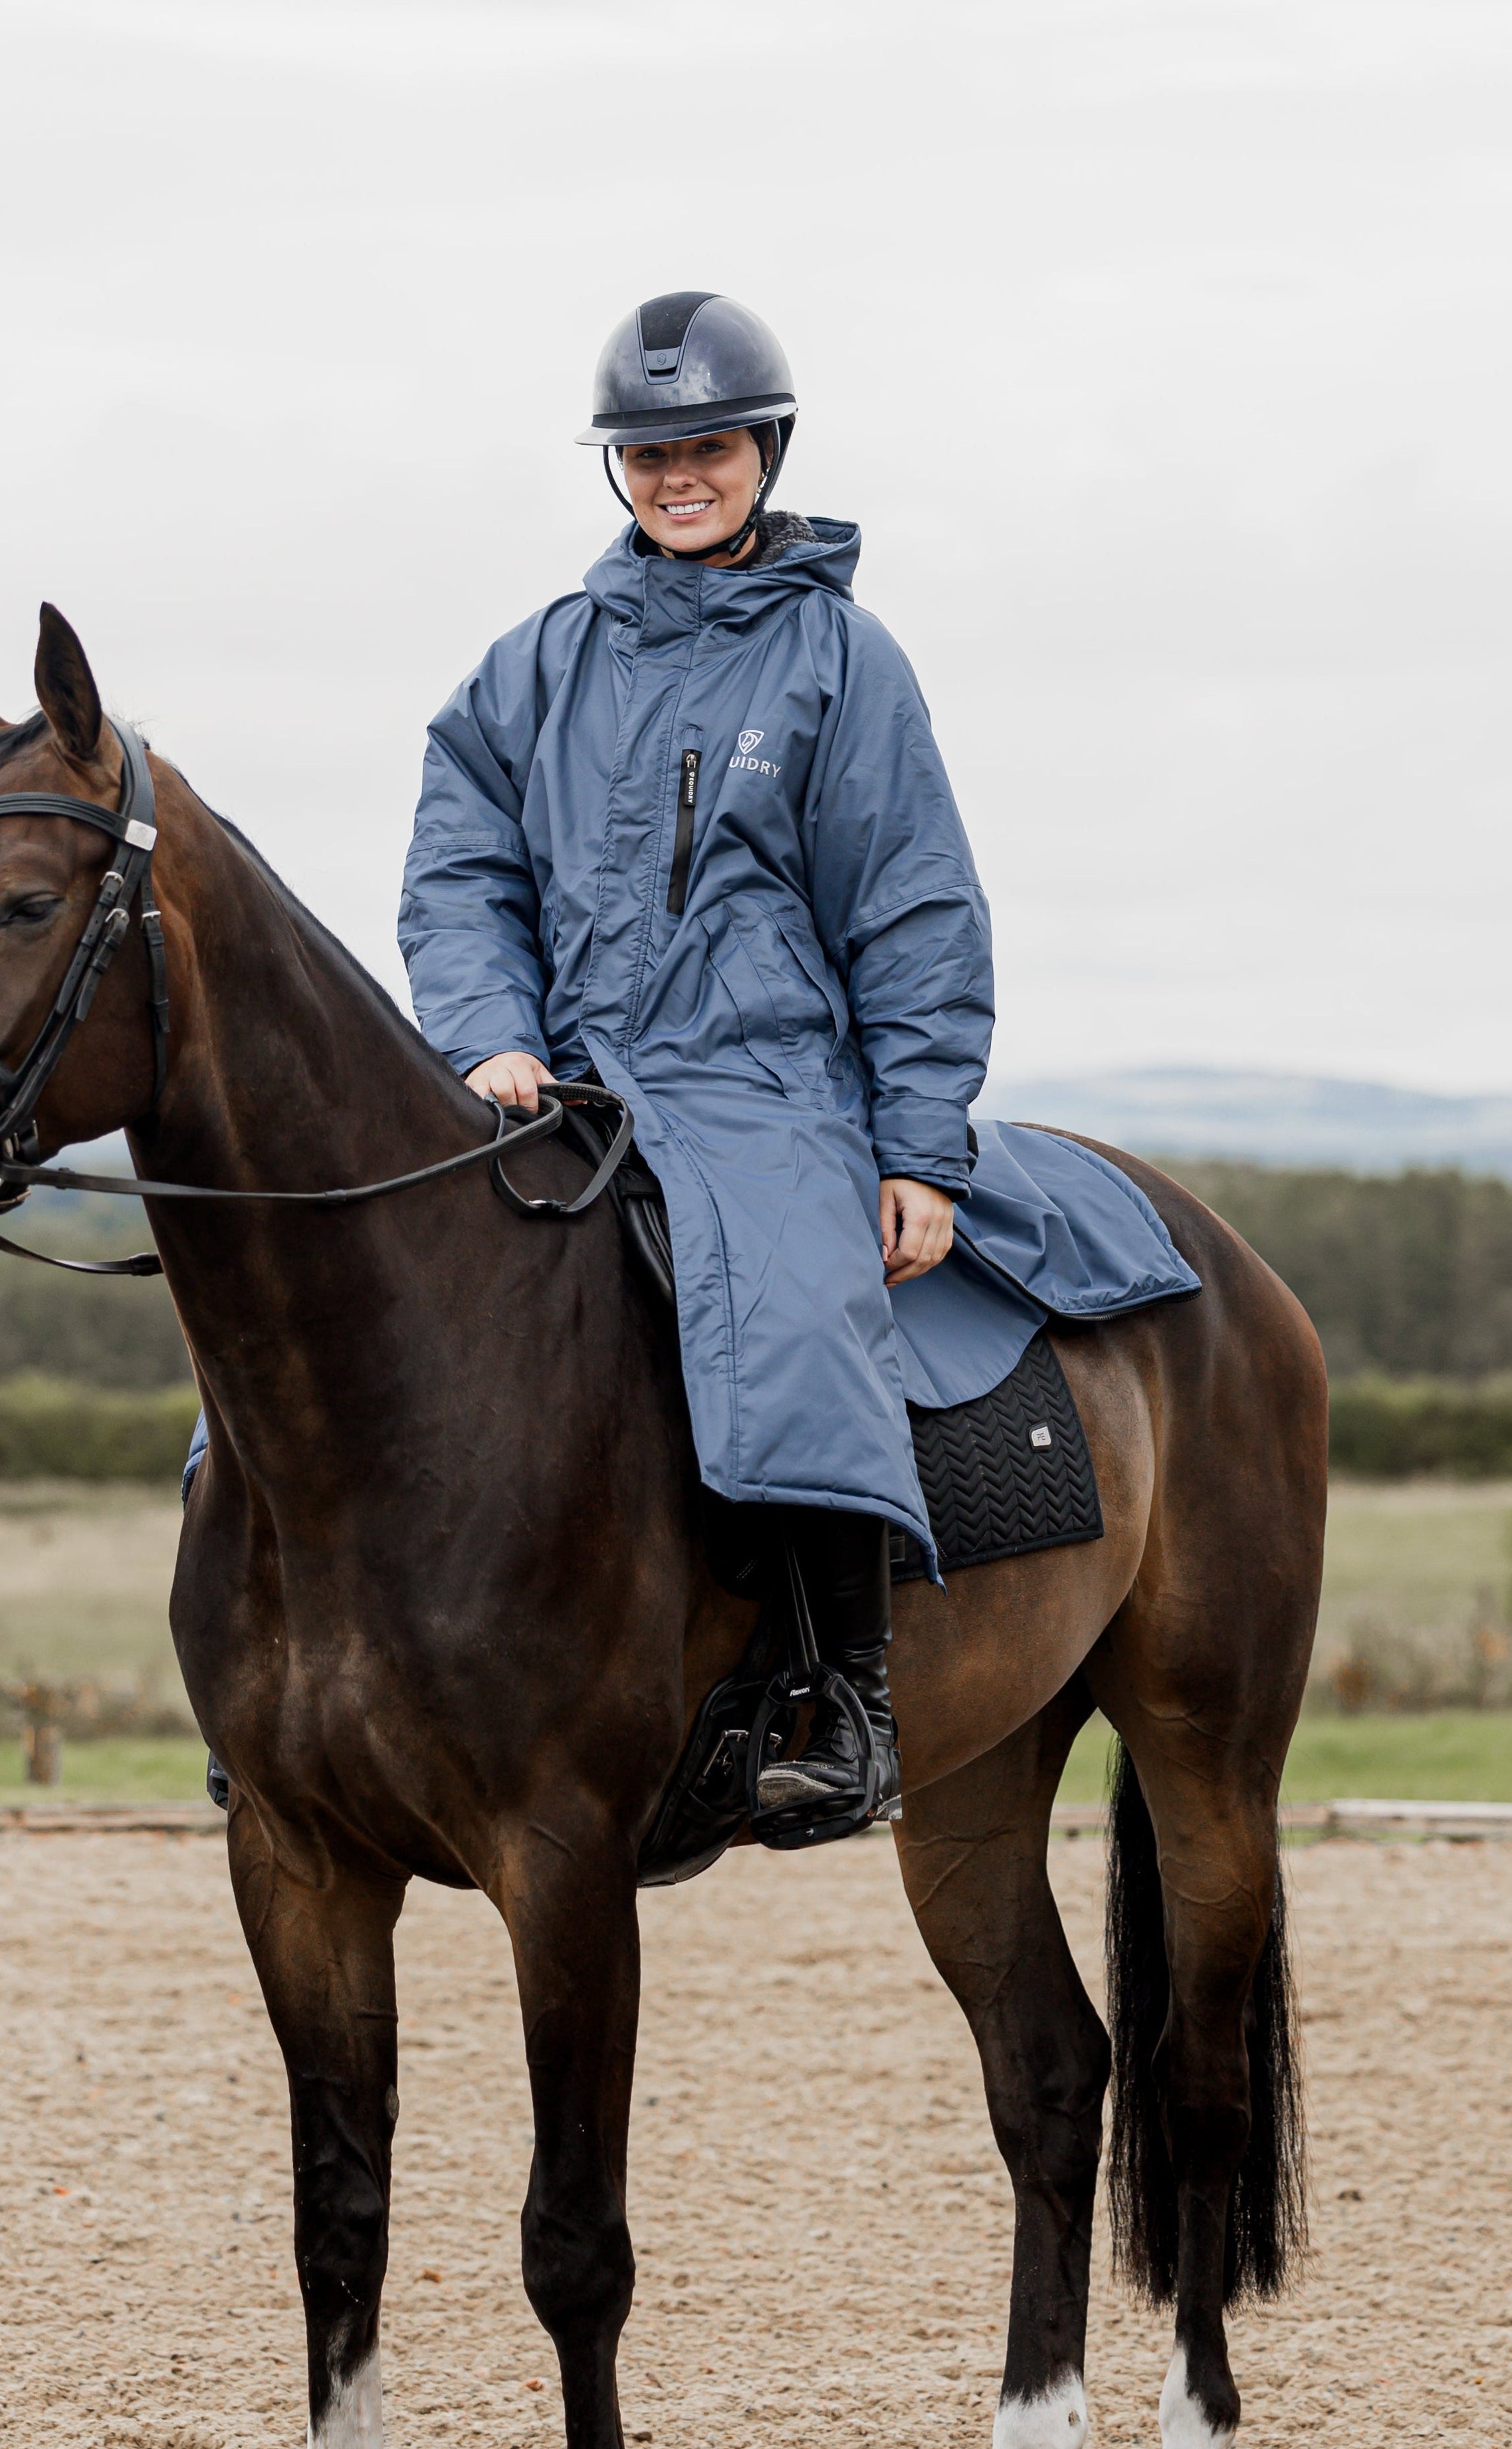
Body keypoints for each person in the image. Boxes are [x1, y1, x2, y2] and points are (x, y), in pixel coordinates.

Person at [394, 290, 994, 1841]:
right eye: (647, 451)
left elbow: (912, 900)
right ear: (617, 468)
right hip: (554, 1075)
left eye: (706, 446)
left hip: (757, 1078)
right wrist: (489, 1033)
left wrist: (918, 1146)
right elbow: (459, 866)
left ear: (763, 452)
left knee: (789, 1304)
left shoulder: (841, 662)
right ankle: (305, 1665)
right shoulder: (533, 663)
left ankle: (838, 1693)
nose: (677, 474)